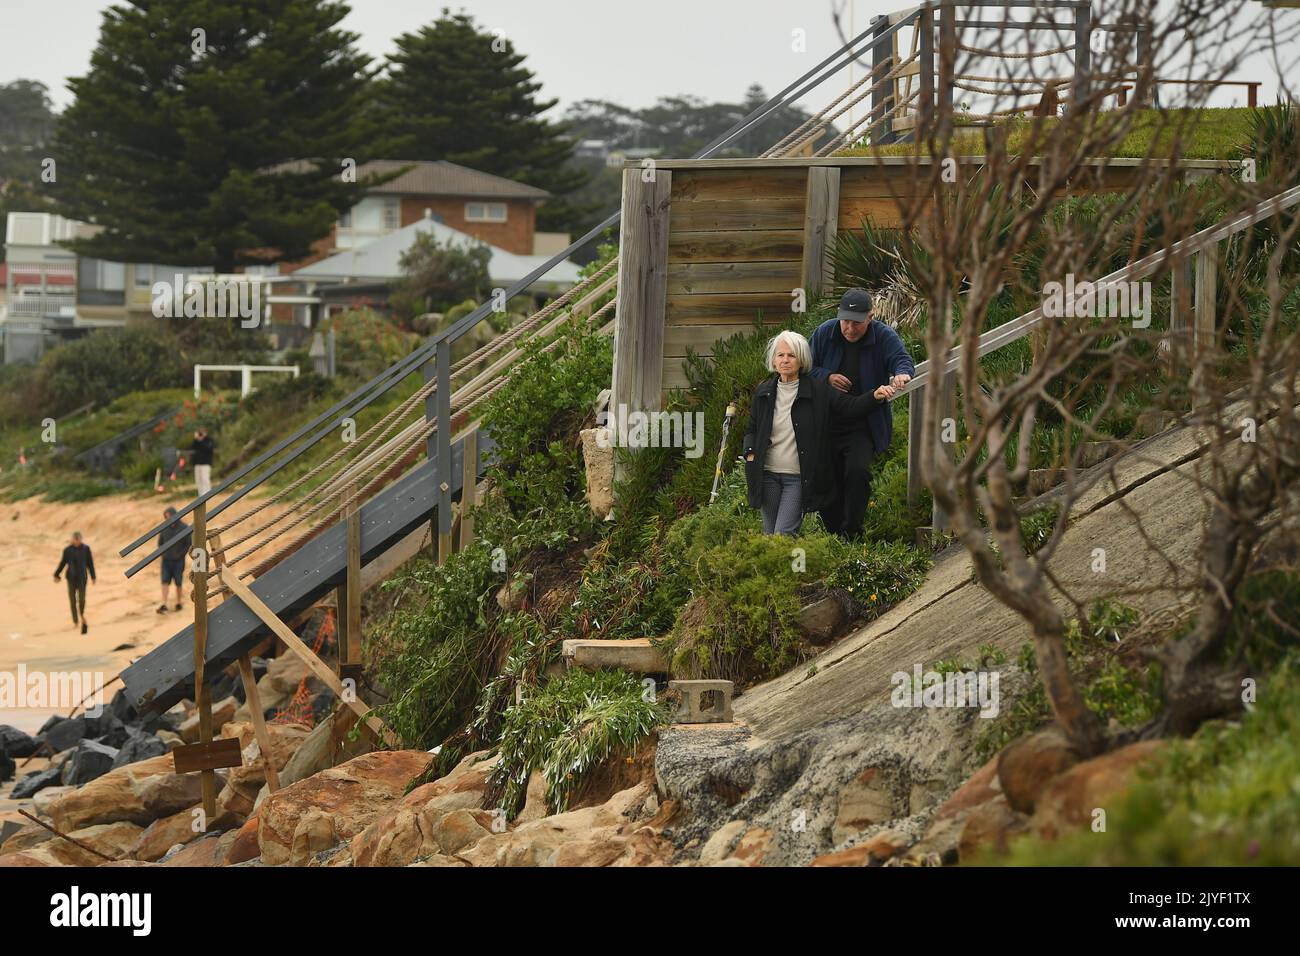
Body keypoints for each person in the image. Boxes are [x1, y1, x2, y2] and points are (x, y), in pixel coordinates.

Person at [743, 330, 898, 536]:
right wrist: (750, 454)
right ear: (773, 360)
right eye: (780, 355)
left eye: (791, 355)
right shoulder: (764, 392)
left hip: (797, 479)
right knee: (769, 534)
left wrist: (874, 396)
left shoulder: (818, 390)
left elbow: (849, 406)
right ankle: (776, 569)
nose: (785, 360)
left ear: (802, 360)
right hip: (767, 475)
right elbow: (752, 429)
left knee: (783, 534)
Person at [807, 288, 916, 540]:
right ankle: (836, 534)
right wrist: (827, 376)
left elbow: (902, 359)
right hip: (825, 420)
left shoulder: (884, 335)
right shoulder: (825, 332)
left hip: (863, 421)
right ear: (838, 316)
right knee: (826, 479)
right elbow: (805, 368)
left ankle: (852, 532)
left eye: (856, 323)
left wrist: (901, 373)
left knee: (857, 472)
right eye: (845, 321)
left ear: (871, 317)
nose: (849, 329)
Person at [54, 531, 96, 634]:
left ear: (81, 539)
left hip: (82, 578)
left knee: (81, 599)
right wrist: (56, 574)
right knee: (72, 600)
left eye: (78, 539)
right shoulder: (67, 550)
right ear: (72, 540)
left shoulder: (86, 549)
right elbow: (63, 563)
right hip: (71, 579)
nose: (77, 541)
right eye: (75, 539)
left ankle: (81, 614)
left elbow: (90, 563)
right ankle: (75, 621)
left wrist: (93, 576)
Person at [158, 506, 190, 614]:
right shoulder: (164, 528)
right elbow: (160, 543)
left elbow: (188, 544)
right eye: (166, 517)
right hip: (166, 560)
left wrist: (180, 555)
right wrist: (163, 554)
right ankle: (164, 603)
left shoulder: (184, 528)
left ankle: (179, 602)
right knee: (164, 581)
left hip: (179, 560)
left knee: (178, 581)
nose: (168, 519)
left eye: (169, 516)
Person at [188, 428, 215, 497]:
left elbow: (207, 448)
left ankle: (208, 494)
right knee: (198, 481)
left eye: (202, 432)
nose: (201, 434)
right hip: (197, 464)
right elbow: (192, 447)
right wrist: (195, 439)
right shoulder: (197, 441)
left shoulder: (209, 440)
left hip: (205, 464)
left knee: (205, 480)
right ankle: (201, 495)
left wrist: (200, 440)